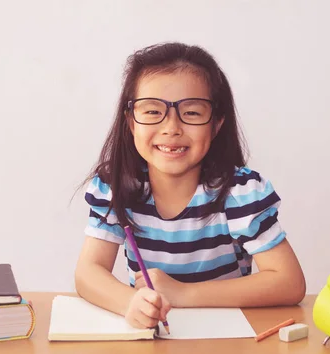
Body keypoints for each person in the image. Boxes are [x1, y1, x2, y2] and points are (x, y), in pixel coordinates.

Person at [74, 42, 306, 330]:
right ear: (131, 122)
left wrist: (184, 294)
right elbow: (88, 272)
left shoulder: (240, 192)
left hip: (228, 349)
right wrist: (128, 303)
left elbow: (289, 283)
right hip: (150, 348)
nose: (171, 127)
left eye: (192, 113)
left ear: (217, 123)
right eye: (151, 111)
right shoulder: (117, 186)